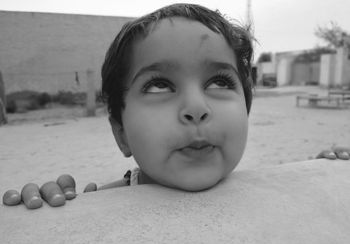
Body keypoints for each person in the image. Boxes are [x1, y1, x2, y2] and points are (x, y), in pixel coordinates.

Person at [2, 3, 350, 209]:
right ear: (120, 131)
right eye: (158, 86)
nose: (195, 108)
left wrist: (323, 174)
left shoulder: (272, 193)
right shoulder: (102, 204)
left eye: (220, 82)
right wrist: (50, 206)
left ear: (246, 111)